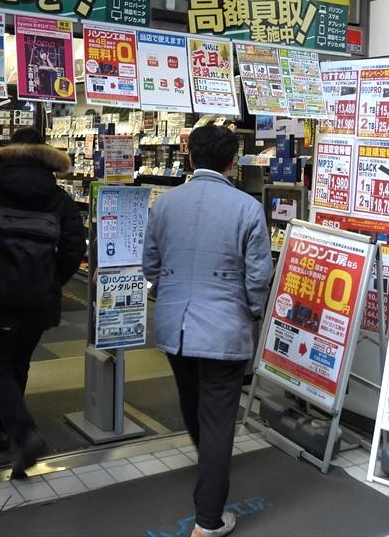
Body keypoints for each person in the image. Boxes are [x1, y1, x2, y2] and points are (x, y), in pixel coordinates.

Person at [142, 124, 273, 537]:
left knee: (192, 400)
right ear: (232, 162)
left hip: (175, 326)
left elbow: (150, 265)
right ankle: (208, 520)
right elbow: (259, 274)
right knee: (218, 418)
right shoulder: (247, 207)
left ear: (191, 158)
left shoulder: (165, 204)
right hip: (224, 328)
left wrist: (170, 294)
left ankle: (209, 465)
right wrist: (251, 311)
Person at [0, 127, 86, 475]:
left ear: (10, 151)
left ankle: (23, 432)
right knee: (19, 361)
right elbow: (74, 247)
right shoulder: (58, 197)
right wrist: (51, 280)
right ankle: (6, 423)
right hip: (38, 298)